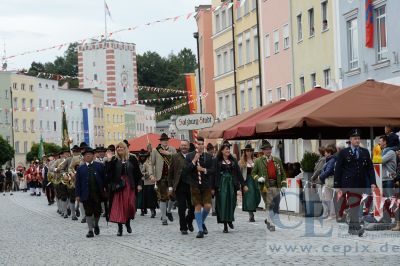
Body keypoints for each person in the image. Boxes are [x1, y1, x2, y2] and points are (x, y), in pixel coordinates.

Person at [334, 129, 376, 236]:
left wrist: (373, 182)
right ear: (350, 140)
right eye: (355, 138)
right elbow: (338, 169)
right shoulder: (344, 152)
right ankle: (354, 227)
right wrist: (337, 185)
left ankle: (353, 226)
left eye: (358, 138)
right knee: (354, 204)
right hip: (348, 183)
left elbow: (370, 169)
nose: (357, 140)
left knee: (356, 205)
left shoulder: (364, 152)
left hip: (360, 183)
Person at [106, 141, 143, 236]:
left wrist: (139, 184)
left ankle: (127, 222)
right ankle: (120, 228)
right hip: (118, 186)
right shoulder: (114, 159)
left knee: (130, 205)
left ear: (125, 148)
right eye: (117, 148)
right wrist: (109, 161)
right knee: (119, 207)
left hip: (130, 185)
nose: (119, 149)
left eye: (121, 147)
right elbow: (108, 174)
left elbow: (138, 174)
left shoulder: (132, 158)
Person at [212, 142, 248, 233]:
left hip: (231, 185)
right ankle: (225, 225)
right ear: (222, 151)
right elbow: (214, 174)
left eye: (228, 149)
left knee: (232, 203)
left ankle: (230, 219)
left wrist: (243, 184)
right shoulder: (217, 161)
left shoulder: (233, 161)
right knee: (223, 204)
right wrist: (212, 187)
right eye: (226, 149)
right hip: (221, 185)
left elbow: (238, 174)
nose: (228, 150)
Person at [252, 140, 286, 232]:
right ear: (263, 151)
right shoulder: (258, 161)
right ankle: (271, 224)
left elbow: (283, 174)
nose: (268, 151)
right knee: (270, 205)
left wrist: (284, 185)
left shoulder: (277, 160)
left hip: (276, 185)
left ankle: (268, 220)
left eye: (269, 149)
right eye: (266, 149)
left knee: (276, 207)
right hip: (264, 186)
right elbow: (253, 173)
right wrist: (258, 178)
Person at [186, 137, 214, 238]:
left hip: (206, 185)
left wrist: (203, 169)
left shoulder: (208, 156)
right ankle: (200, 230)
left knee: (207, 206)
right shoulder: (189, 156)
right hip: (194, 185)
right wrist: (194, 160)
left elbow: (212, 170)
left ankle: (201, 222)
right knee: (197, 206)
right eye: (199, 144)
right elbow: (187, 170)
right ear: (195, 144)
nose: (201, 145)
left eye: (202, 144)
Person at [75, 147, 106, 238]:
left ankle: (96, 224)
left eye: (90, 154)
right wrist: (77, 194)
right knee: (88, 212)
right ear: (84, 157)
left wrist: (105, 190)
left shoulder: (99, 166)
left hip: (97, 193)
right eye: (85, 155)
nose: (88, 155)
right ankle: (90, 230)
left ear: (93, 156)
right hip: (86, 194)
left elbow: (104, 180)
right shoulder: (81, 168)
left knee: (97, 212)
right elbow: (78, 183)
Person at [167, 140, 194, 234]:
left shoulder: (193, 156)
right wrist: (170, 187)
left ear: (189, 146)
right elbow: (170, 173)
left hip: (191, 185)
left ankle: (189, 221)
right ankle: (183, 227)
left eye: (185, 145)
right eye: (182, 145)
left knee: (193, 207)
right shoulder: (175, 157)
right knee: (182, 207)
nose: (184, 147)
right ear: (180, 146)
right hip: (180, 185)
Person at [151, 133, 177, 225]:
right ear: (160, 141)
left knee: (173, 197)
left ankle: (168, 211)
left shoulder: (172, 149)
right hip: (161, 176)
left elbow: (177, 160)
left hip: (171, 177)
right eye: (163, 140)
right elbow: (151, 163)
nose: (165, 141)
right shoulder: (155, 150)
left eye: (166, 140)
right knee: (163, 197)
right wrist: (151, 174)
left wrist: (169, 154)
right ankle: (164, 218)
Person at [239, 144, 261, 223]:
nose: (249, 152)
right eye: (247, 151)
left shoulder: (256, 160)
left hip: (255, 180)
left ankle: (253, 210)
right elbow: (239, 174)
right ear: (244, 152)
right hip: (247, 181)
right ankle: (251, 215)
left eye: (250, 151)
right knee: (249, 198)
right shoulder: (241, 162)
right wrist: (242, 184)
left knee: (257, 197)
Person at [318, 144, 337, 219]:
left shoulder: (331, 160)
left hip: (330, 180)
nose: (324, 153)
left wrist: (321, 176)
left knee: (329, 198)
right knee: (328, 197)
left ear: (330, 153)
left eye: (326, 152)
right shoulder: (330, 160)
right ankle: (330, 214)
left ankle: (332, 214)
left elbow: (328, 171)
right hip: (329, 180)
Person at [138, 149, 158, 218]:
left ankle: (157, 209)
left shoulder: (156, 163)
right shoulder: (146, 164)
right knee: (149, 198)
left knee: (155, 197)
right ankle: (152, 211)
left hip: (156, 182)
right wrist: (147, 174)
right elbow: (142, 173)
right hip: (148, 182)